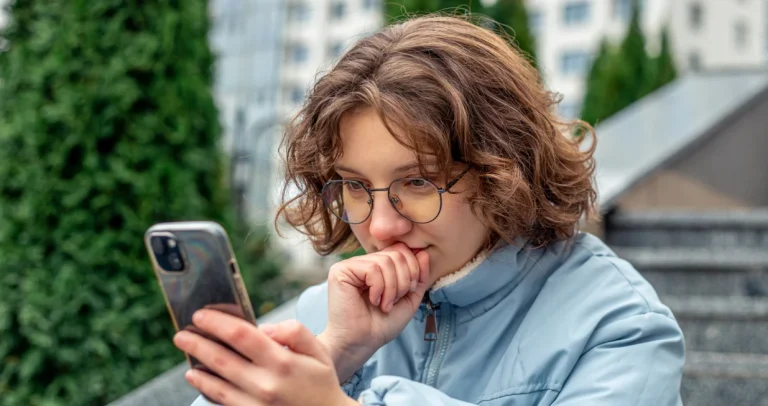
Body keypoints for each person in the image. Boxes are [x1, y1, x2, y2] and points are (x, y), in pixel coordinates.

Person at [174, 14, 685, 406]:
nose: (380, 226)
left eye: (417, 182)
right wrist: (336, 355)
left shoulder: (619, 330)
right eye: (354, 185)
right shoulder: (327, 315)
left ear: (506, 169)